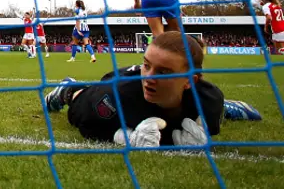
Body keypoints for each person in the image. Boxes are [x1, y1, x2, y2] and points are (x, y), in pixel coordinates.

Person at [45, 32, 261, 147]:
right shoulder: (117, 96)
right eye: (146, 65)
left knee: (217, 110)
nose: (148, 78)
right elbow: (89, 125)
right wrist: (123, 136)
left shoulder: (210, 100)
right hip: (116, 83)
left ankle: (229, 109)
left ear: (189, 81)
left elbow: (209, 123)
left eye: (164, 72)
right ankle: (68, 88)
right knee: (80, 101)